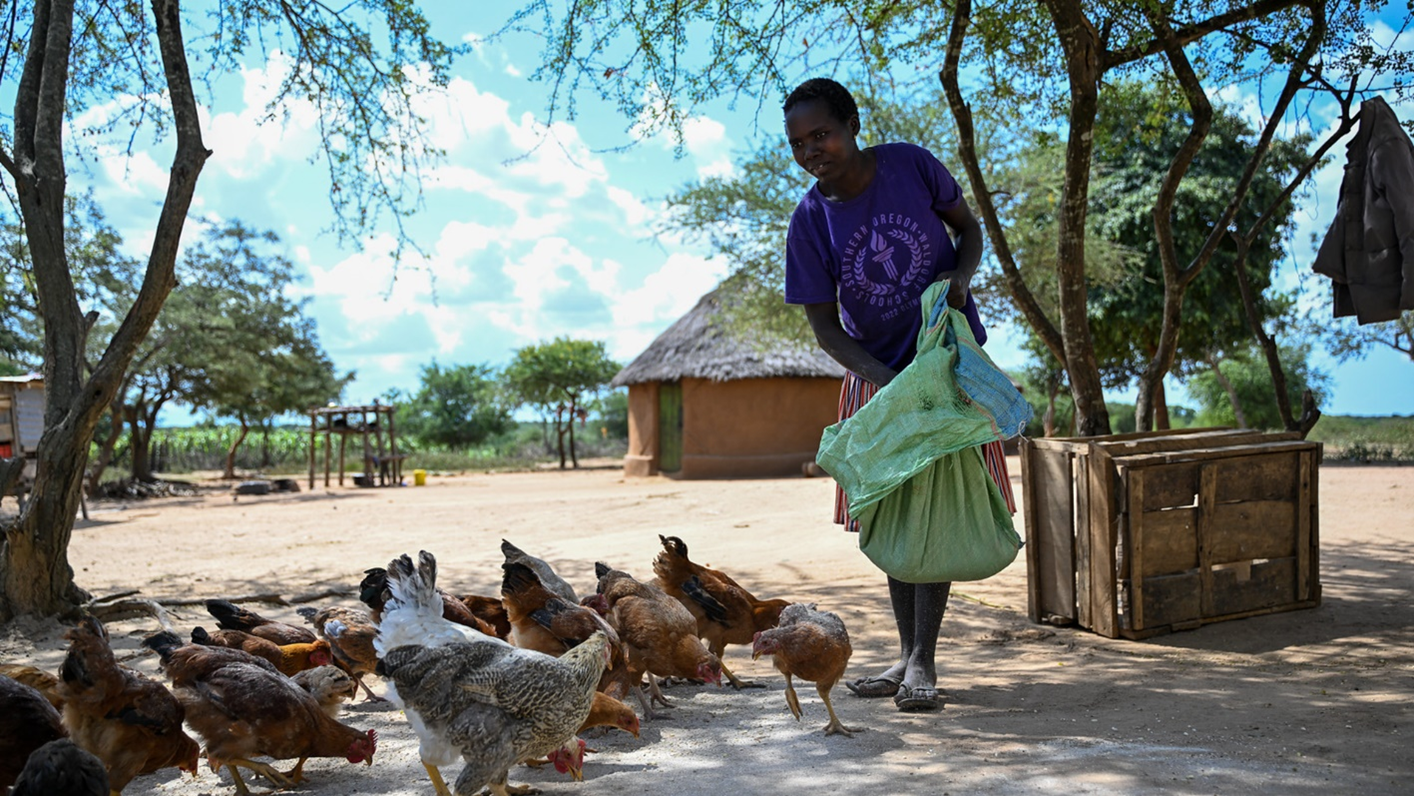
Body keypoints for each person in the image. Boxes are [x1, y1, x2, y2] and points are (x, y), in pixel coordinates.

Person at [782, 77, 1015, 712]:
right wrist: (891, 387)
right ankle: (909, 655)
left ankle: (922, 662)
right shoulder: (809, 221)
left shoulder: (912, 165)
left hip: (946, 366)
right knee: (893, 511)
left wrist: (960, 278)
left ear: (852, 125)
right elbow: (826, 328)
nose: (811, 151)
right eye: (798, 144)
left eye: (821, 135)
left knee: (934, 511)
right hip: (877, 378)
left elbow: (969, 233)